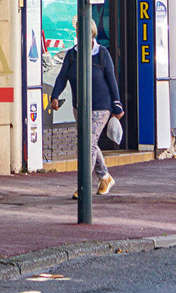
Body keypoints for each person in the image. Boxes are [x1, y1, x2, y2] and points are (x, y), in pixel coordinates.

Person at [50, 19, 125, 196]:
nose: (80, 34)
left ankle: (83, 186)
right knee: (88, 142)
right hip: (80, 106)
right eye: (78, 31)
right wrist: (55, 95)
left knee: (88, 143)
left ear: (91, 33)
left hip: (101, 106)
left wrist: (117, 104)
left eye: (83, 31)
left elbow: (111, 80)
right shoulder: (72, 55)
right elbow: (62, 77)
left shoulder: (102, 54)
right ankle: (105, 176)